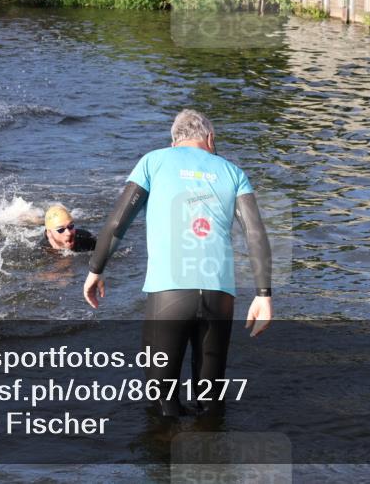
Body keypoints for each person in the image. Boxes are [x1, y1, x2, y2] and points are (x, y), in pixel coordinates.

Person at [83, 109, 273, 417]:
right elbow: (255, 234)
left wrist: (96, 269)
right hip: (220, 295)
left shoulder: (153, 161)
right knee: (212, 399)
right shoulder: (233, 172)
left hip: (169, 293)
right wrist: (264, 295)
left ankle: (164, 455)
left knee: (162, 400)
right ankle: (212, 456)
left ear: (175, 142)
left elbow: (118, 222)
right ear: (210, 139)